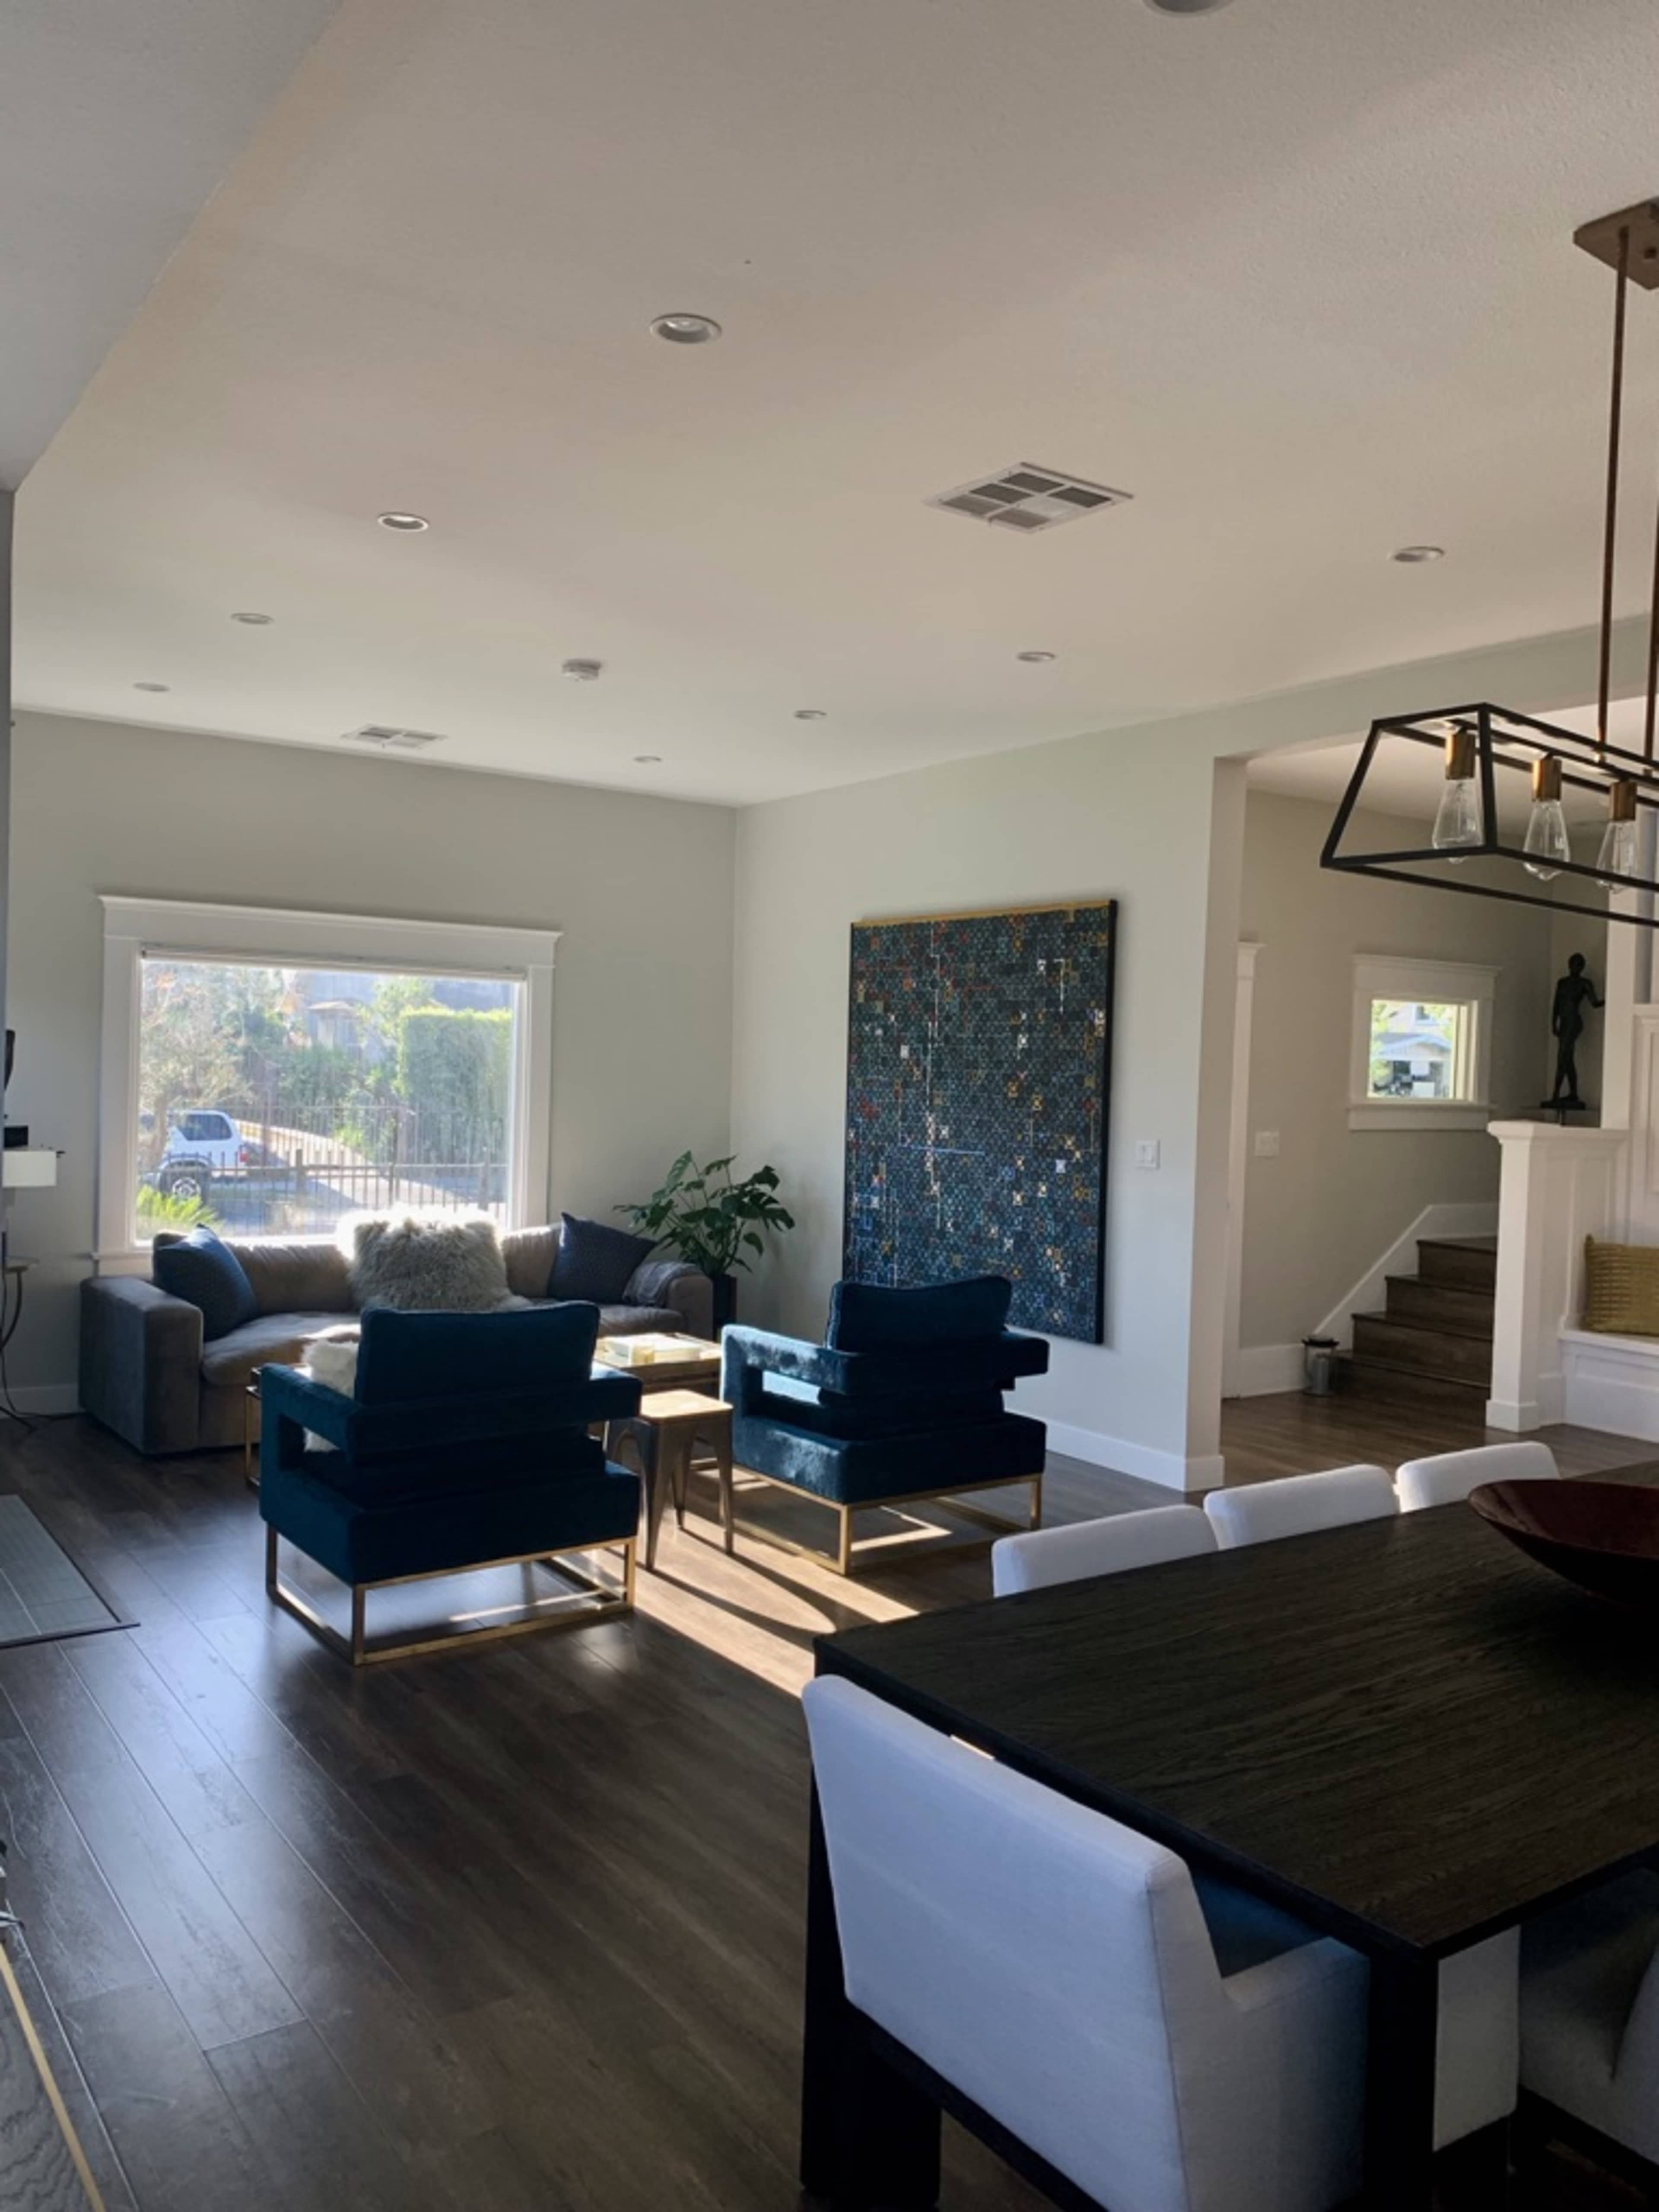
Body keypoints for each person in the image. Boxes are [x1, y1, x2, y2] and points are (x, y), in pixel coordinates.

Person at [1544, 953, 1603, 1111]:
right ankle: (1572, 1093)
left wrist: (1615, 998)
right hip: (1564, 1022)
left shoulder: (1585, 984)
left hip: (1574, 1022)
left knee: (1563, 1057)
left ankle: (1556, 1094)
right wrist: (1553, 1023)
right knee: (1567, 1059)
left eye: (1578, 965)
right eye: (1573, 964)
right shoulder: (1562, 983)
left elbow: (1595, 1003)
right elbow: (1556, 1004)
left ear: (1582, 967)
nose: (1575, 968)